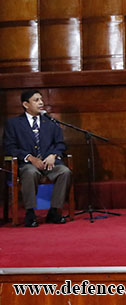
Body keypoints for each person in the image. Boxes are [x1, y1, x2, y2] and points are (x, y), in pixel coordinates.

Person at [3, 89, 71, 227]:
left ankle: (54, 211)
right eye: (36, 100)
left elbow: (60, 144)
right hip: (27, 163)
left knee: (65, 172)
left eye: (41, 100)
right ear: (26, 104)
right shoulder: (14, 124)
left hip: (50, 163)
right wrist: (30, 158)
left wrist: (53, 155)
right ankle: (30, 213)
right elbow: (9, 147)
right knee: (30, 172)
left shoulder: (51, 122)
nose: (41, 103)